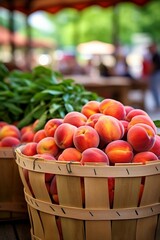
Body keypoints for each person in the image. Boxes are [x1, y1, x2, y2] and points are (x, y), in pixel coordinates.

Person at [148, 43, 160, 109]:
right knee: (154, 89)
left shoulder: (155, 56)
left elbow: (153, 66)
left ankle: (157, 105)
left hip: (156, 74)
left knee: (154, 89)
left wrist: (149, 73)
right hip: (156, 74)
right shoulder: (155, 55)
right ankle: (157, 104)